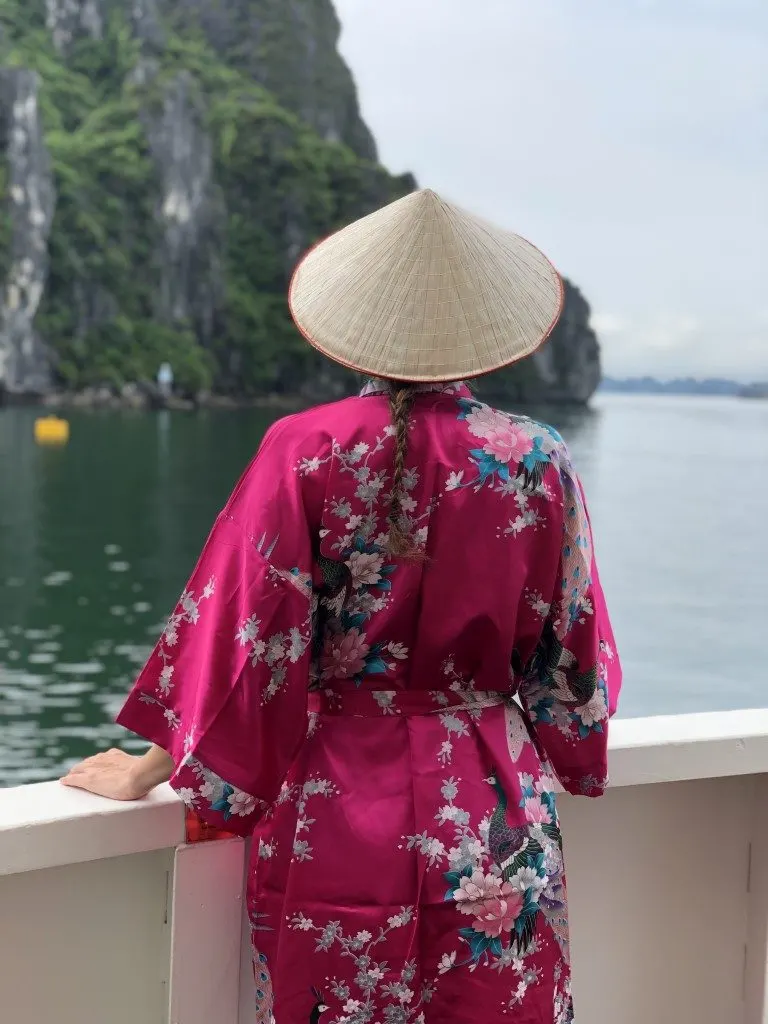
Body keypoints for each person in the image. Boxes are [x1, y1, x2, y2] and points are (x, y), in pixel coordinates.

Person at [61, 189, 621, 1024]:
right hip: (492, 811)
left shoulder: (308, 450)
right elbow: (571, 660)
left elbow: (250, 641)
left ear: (361, 324)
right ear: (481, 331)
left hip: (336, 808)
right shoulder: (537, 459)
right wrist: (572, 756)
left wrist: (155, 766)